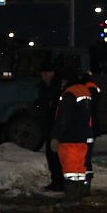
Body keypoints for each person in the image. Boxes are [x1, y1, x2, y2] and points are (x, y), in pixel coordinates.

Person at [49, 72, 95, 202]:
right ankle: (79, 195)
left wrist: (56, 136)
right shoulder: (84, 91)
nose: (61, 84)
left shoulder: (69, 94)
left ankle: (71, 198)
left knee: (70, 170)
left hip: (69, 139)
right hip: (82, 138)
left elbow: (62, 118)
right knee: (79, 170)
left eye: (63, 82)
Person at [35, 63, 65, 191]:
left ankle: (59, 182)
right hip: (48, 126)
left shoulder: (57, 87)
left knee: (56, 155)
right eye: (43, 73)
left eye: (46, 73)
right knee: (50, 155)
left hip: (56, 126)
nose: (44, 76)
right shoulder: (43, 87)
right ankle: (56, 181)